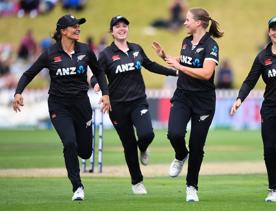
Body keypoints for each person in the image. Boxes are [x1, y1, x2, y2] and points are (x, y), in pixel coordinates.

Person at [12, 14, 111, 201]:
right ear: (63, 31)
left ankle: (82, 155)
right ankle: (77, 186)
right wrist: (18, 92)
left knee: (85, 151)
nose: (78, 28)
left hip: (81, 105)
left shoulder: (85, 50)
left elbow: (98, 71)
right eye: (74, 26)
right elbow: (28, 73)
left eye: (78, 25)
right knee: (69, 143)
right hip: (59, 105)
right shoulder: (50, 53)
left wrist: (105, 94)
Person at [98, 15, 178, 195]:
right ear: (112, 31)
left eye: (124, 25)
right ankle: (137, 181)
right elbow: (97, 73)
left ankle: (143, 148)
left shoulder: (136, 49)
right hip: (117, 107)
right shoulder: (106, 54)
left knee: (147, 134)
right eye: (117, 26)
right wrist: (98, 85)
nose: (121, 28)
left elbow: (150, 65)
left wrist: (175, 72)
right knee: (128, 145)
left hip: (138, 101)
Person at [153, 8, 223, 202]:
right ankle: (181, 155)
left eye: (188, 20)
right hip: (183, 96)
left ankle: (191, 186)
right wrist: (164, 56)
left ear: (199, 23)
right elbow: (182, 61)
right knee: (174, 134)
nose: (184, 23)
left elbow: (207, 73)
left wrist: (180, 67)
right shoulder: (186, 42)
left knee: (197, 145)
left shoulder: (211, 45)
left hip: (203, 101)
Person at [230, 16, 276, 203]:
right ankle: (273, 189)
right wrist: (239, 99)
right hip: (270, 109)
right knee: (270, 150)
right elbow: (250, 81)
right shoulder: (263, 57)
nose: (275, 32)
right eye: (272, 29)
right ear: (269, 32)